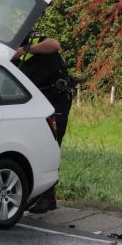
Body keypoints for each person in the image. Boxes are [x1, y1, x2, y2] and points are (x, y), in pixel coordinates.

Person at [12, 30, 74, 213]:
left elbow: (54, 44)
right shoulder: (5, 47)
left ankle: (48, 198)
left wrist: (24, 49)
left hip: (56, 97)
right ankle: (37, 194)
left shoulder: (31, 37)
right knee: (34, 146)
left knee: (51, 144)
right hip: (37, 100)